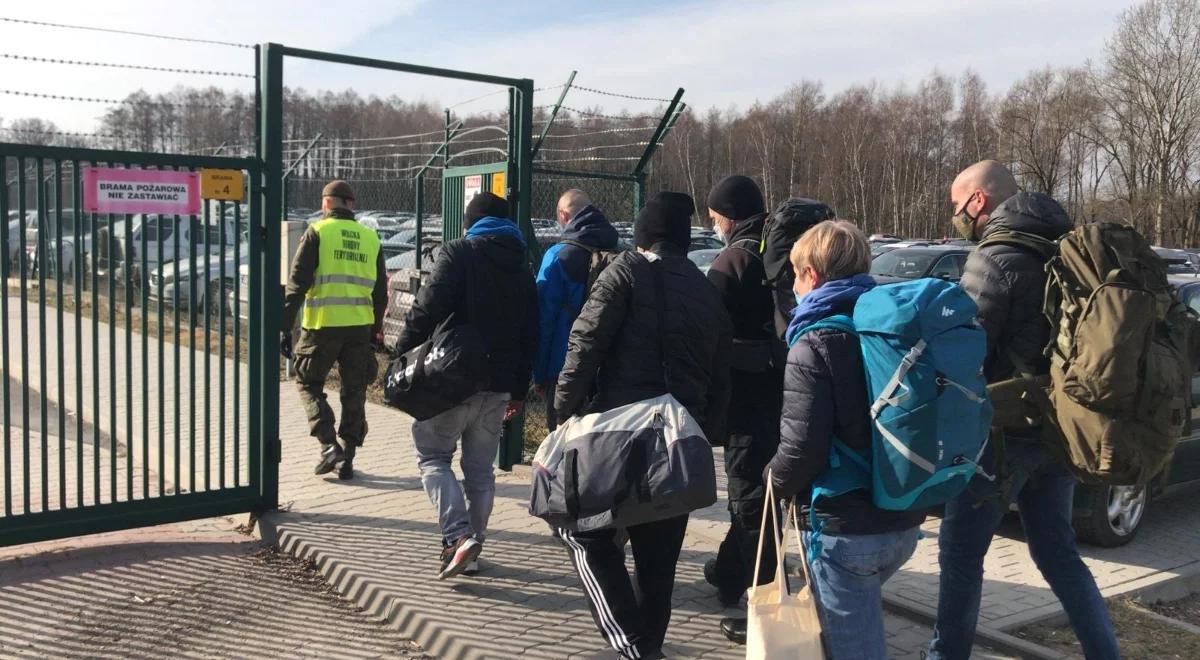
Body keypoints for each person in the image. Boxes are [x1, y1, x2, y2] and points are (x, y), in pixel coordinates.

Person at [928, 160, 1119, 660]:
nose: (956, 216)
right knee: (1059, 554)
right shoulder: (1069, 251)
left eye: (956, 205)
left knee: (961, 555)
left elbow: (967, 351)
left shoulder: (993, 257)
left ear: (978, 202)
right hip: (1059, 429)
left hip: (1001, 436)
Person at [553, 191, 733, 660]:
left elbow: (585, 342)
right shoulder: (704, 287)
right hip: (679, 436)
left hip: (619, 433)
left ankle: (631, 644)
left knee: (584, 531)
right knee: (659, 560)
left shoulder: (624, 272)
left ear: (643, 231)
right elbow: (722, 372)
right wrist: (704, 429)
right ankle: (647, 648)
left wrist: (564, 411)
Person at [764, 220, 925, 659]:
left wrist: (770, 481)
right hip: (903, 518)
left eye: (796, 274)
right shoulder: (890, 327)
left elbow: (801, 449)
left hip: (845, 529)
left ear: (811, 274)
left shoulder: (813, 342)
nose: (794, 285)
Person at [395, 192, 538, 580]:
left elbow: (427, 307)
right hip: (498, 388)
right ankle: (472, 550)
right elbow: (531, 335)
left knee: (433, 458)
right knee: (480, 472)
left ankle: (457, 537)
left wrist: (402, 353)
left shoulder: (458, 253)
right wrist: (519, 390)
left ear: (471, 222)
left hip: (452, 380)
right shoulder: (523, 269)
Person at [700, 175, 785, 641]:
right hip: (789, 387)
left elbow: (708, 327)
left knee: (748, 489)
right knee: (760, 486)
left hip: (749, 393)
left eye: (714, 218)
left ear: (729, 215)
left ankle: (762, 592)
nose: (713, 225)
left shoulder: (735, 257)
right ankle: (731, 570)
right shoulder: (778, 246)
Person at [281, 180, 388, 481]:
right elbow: (381, 294)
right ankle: (347, 458)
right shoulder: (371, 238)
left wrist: (284, 327)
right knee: (354, 392)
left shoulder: (317, 232)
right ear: (351, 204)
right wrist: (374, 333)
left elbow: (297, 284)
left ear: (326, 203)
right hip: (359, 328)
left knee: (307, 384)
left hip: (322, 327)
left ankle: (329, 445)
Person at [531, 189, 619, 431]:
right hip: (610, 365)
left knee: (561, 443)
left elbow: (545, 320)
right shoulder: (620, 251)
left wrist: (540, 374)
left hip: (564, 365)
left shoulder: (558, 256)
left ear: (562, 214)